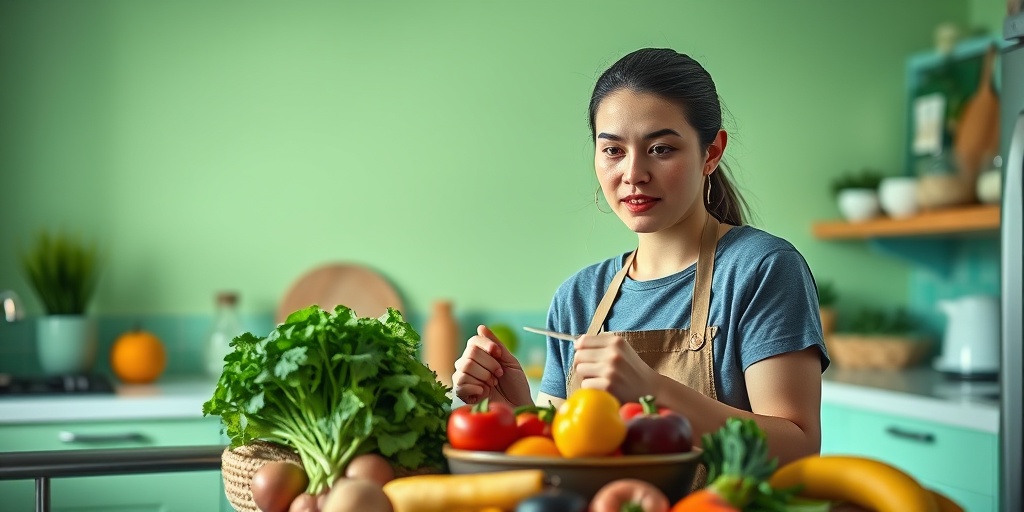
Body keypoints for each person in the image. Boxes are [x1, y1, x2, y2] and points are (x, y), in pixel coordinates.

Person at [452, 48, 829, 467]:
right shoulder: (579, 296)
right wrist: (516, 410)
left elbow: (798, 447)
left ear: (711, 152)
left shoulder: (762, 268)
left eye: (661, 149)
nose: (634, 173)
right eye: (613, 150)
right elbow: (567, 455)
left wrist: (654, 390)